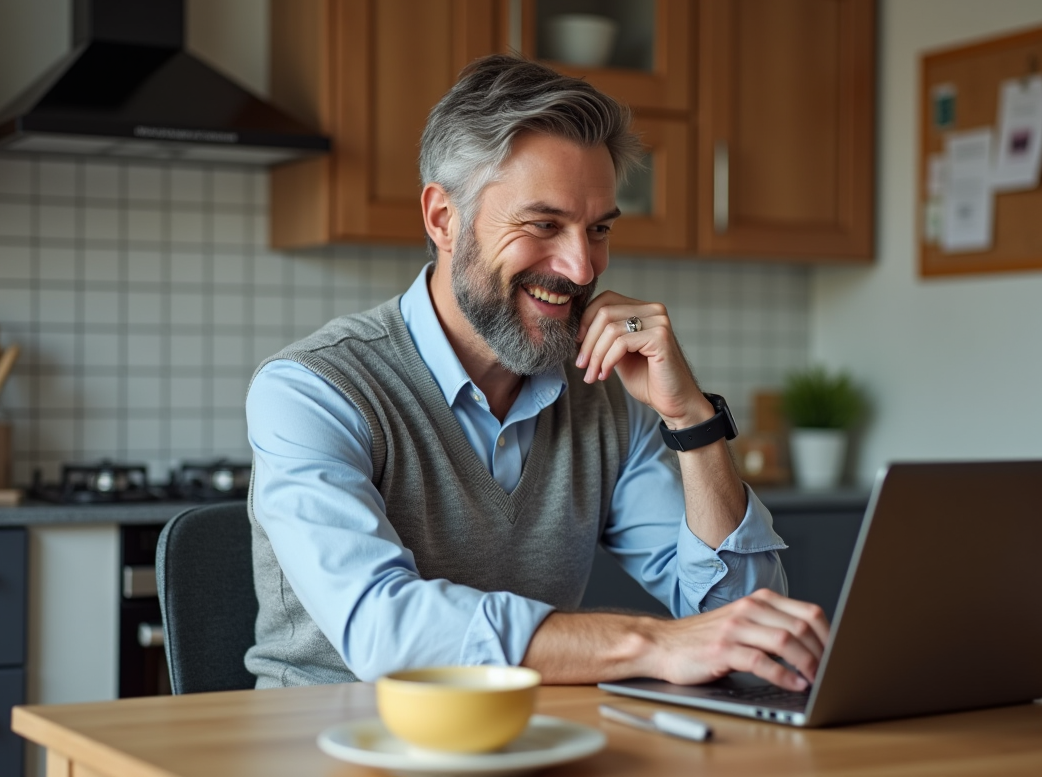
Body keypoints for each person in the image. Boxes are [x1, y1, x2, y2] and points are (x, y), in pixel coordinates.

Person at [245, 54, 828, 691]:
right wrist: (652, 643)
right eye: (544, 224)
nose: (582, 268)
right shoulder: (313, 390)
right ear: (443, 218)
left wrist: (690, 420)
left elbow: (737, 626)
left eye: (598, 228)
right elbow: (387, 631)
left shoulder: (604, 397)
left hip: (531, 746)